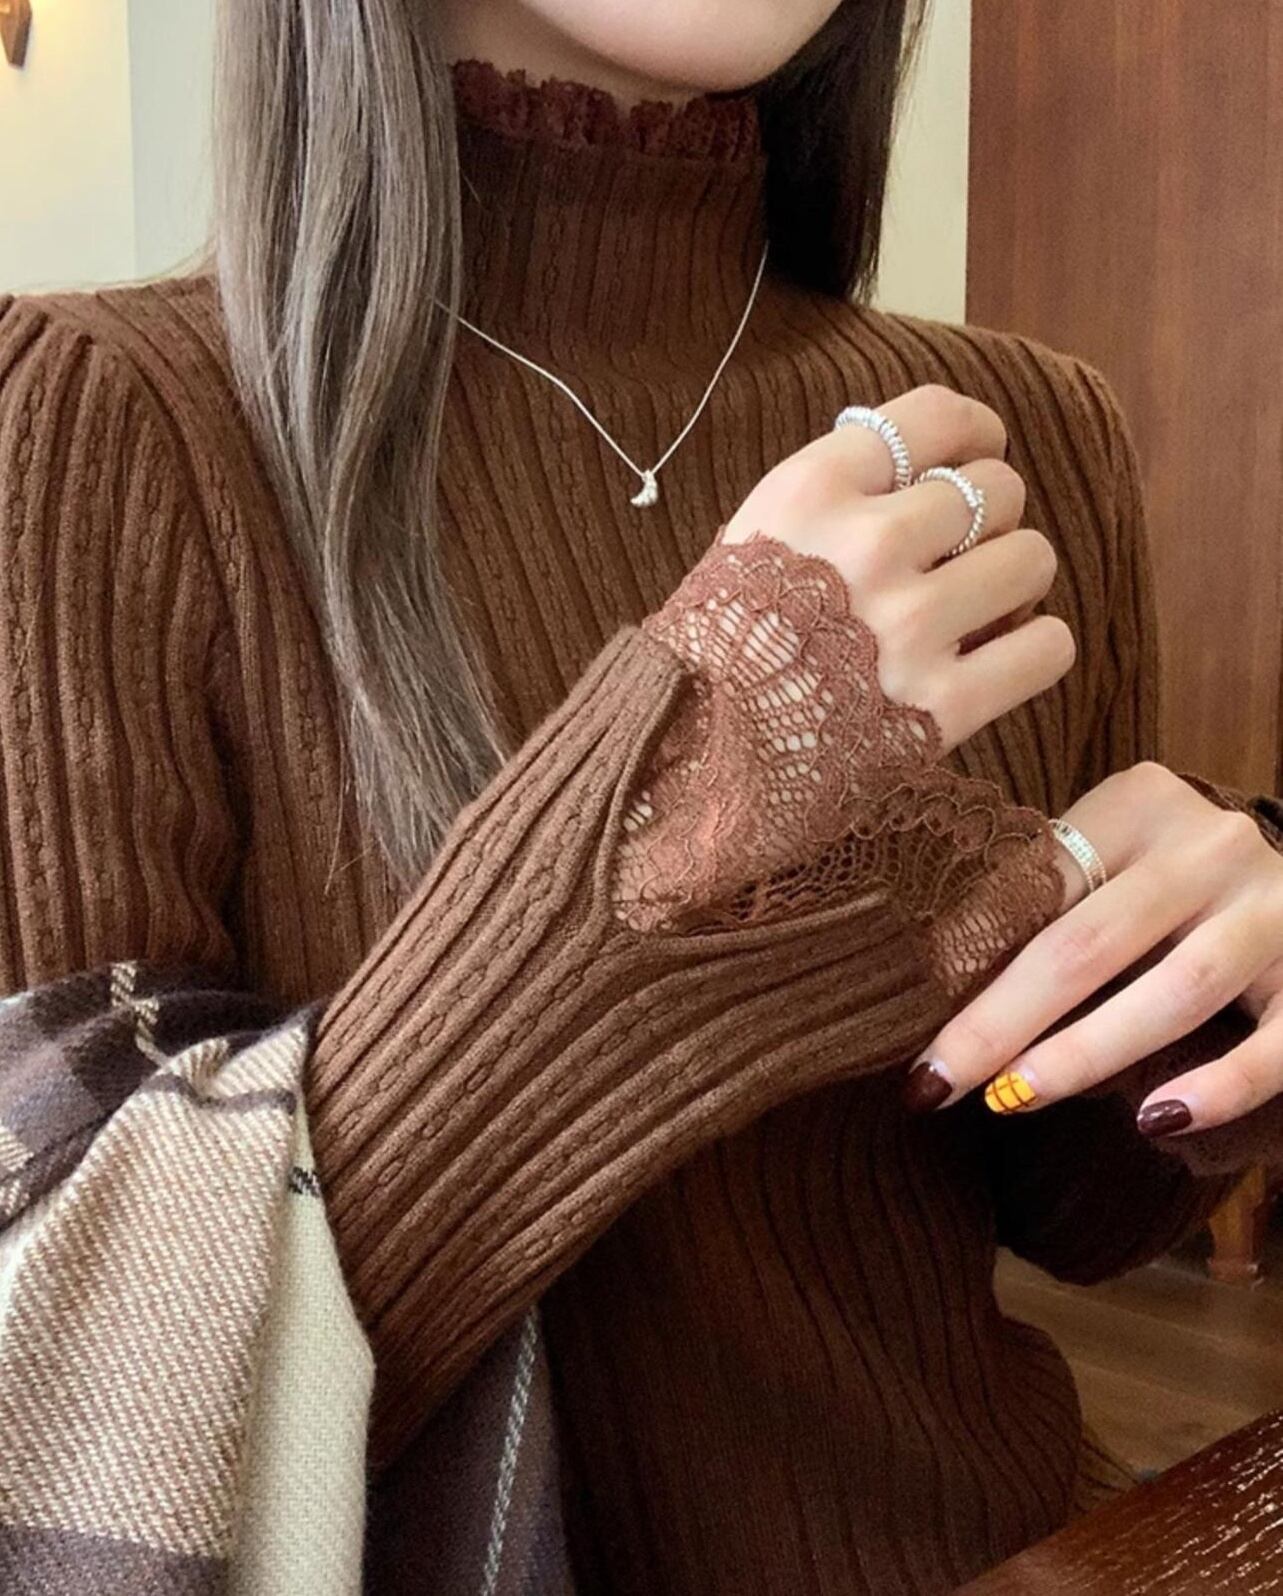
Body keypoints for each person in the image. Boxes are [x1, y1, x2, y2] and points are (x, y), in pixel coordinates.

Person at [2, 1, 1283, 1591]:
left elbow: (1070, 1219)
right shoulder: (83, 420)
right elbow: (91, 1396)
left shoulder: (1022, 438)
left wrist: (1210, 988)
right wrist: (654, 841)